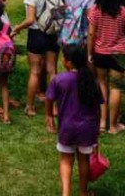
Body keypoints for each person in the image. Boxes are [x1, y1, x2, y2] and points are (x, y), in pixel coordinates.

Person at [45, 43, 103, 196]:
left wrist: (49, 115)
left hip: (67, 127)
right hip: (88, 128)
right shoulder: (91, 81)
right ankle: (83, 192)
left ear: (68, 62)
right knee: (84, 160)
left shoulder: (59, 79)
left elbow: (48, 98)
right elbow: (98, 107)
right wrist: (97, 127)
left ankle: (66, 194)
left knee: (65, 160)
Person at [13, 0, 61, 117]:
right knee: (52, 70)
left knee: (34, 71)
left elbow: (30, 20)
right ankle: (54, 108)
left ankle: (30, 106)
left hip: (37, 34)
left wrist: (17, 28)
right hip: (53, 32)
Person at [88, 0, 125, 134]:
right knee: (116, 87)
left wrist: (89, 53)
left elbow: (91, 34)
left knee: (101, 84)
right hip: (118, 53)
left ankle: (102, 122)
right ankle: (113, 125)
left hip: (100, 52)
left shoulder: (95, 11)